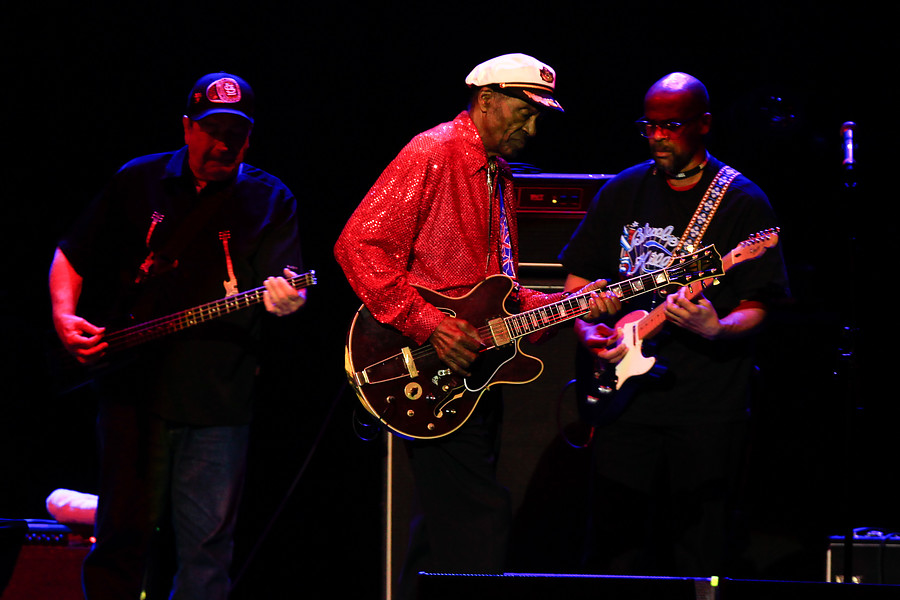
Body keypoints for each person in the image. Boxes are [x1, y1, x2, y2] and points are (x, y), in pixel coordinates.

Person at [334, 53, 618, 598]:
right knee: (480, 523)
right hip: (426, 366)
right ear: (486, 100)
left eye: (538, 118)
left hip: (475, 376)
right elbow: (359, 246)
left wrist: (573, 303)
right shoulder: (434, 150)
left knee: (439, 536)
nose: (532, 128)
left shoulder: (499, 175)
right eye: (524, 112)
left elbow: (502, 293)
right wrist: (429, 325)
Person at [49, 72, 307, 599]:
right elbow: (71, 253)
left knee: (206, 556)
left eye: (236, 134)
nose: (224, 145)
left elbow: (289, 284)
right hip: (132, 396)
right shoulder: (138, 180)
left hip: (219, 402)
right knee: (120, 540)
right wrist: (63, 315)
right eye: (212, 131)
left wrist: (289, 299)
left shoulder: (270, 198)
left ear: (250, 139)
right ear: (187, 128)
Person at [559, 72, 789, 576]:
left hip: (705, 405)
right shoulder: (623, 190)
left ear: (704, 124)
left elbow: (760, 304)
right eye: (650, 126)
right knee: (614, 549)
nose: (658, 137)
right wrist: (588, 330)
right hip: (622, 399)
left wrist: (717, 328)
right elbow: (577, 280)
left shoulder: (743, 202)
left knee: (700, 552)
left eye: (672, 126)